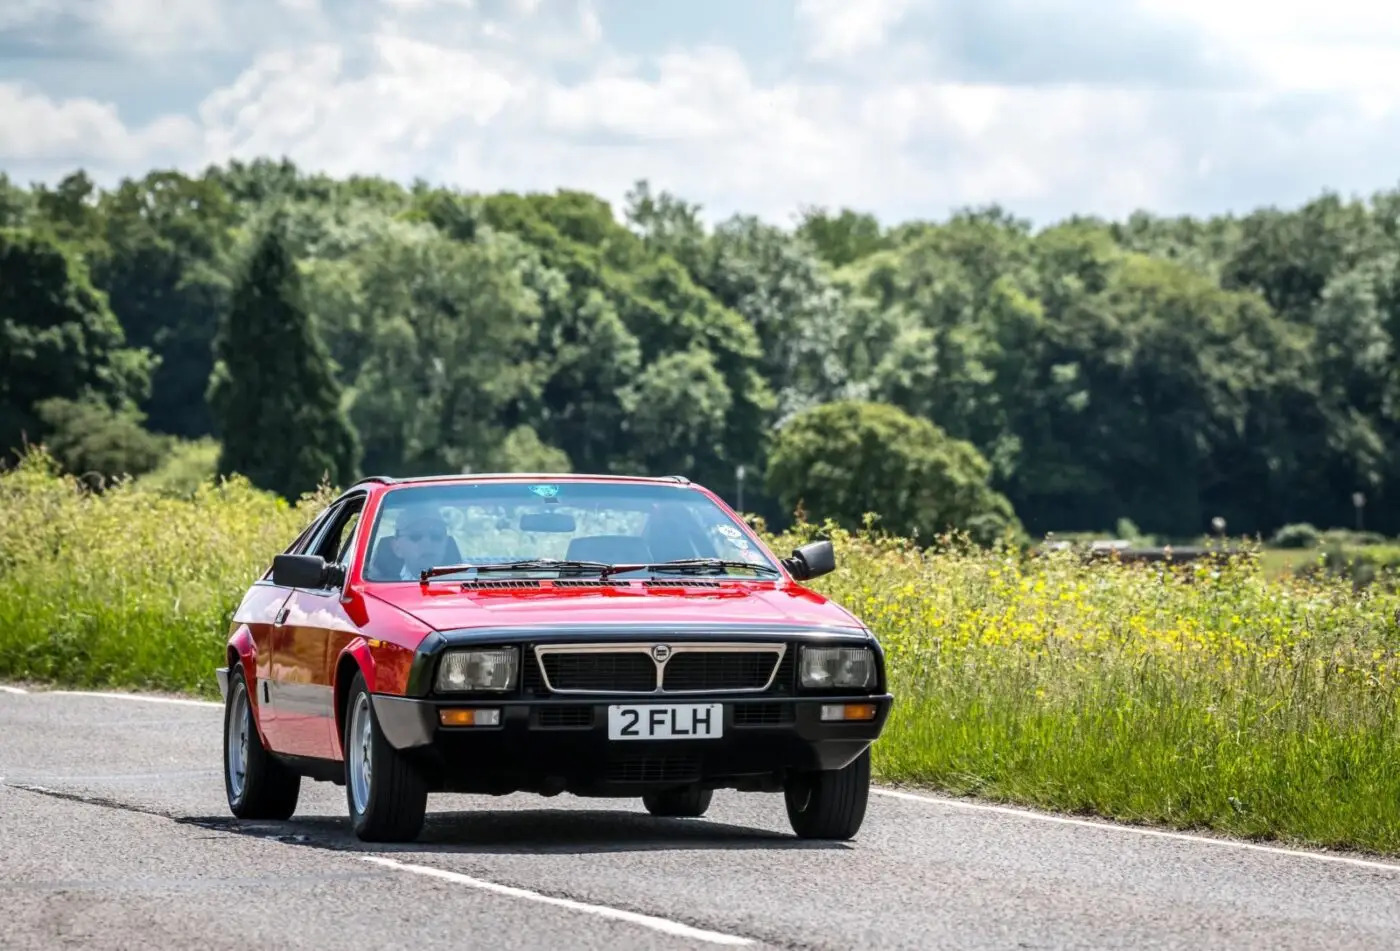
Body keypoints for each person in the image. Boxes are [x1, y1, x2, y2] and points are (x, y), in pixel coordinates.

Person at [382, 503, 452, 580]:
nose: (427, 543)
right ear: (397, 548)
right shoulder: (377, 584)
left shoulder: (466, 579)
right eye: (415, 536)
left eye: (436, 536)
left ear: (446, 544)